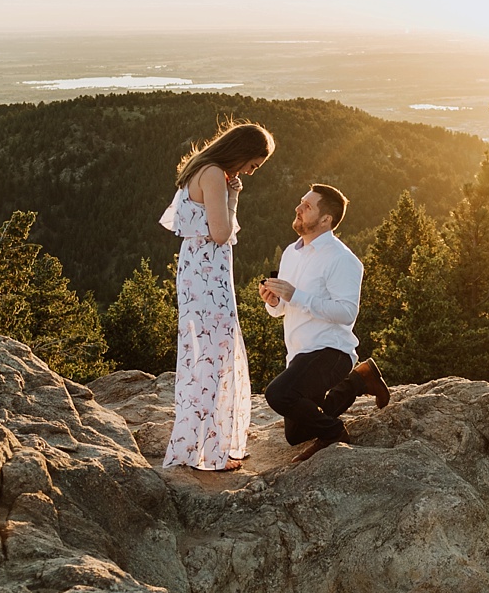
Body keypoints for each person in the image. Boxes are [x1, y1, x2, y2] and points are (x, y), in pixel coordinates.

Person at [159, 121, 275, 471]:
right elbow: (221, 233)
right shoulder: (211, 174)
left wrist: (232, 193)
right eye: (252, 164)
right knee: (213, 352)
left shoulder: (202, 168)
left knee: (206, 352)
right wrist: (232, 198)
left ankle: (206, 443)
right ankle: (210, 451)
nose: (250, 172)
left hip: (199, 271)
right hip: (207, 274)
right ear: (240, 152)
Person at [258, 183, 389, 462]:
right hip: (300, 355)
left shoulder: (342, 259)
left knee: (278, 394)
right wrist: (273, 301)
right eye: (300, 203)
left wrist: (297, 295)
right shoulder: (290, 254)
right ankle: (360, 379)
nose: (298, 208)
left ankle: (334, 434)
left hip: (331, 352)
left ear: (326, 219)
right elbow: (282, 309)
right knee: (296, 435)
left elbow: (346, 313)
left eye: (307, 206)